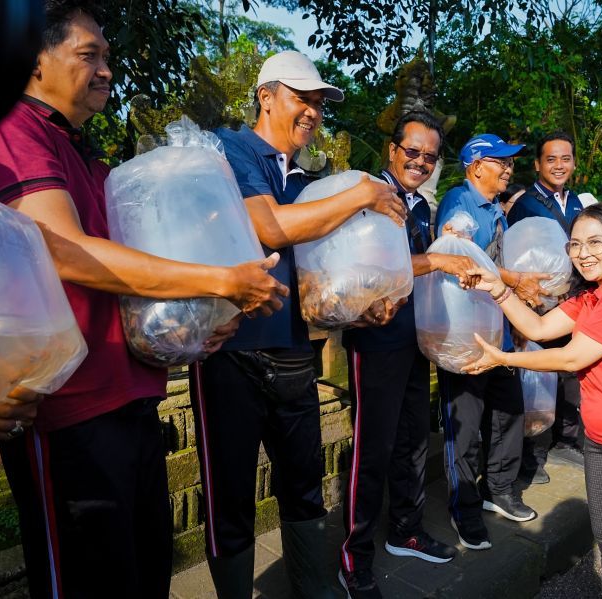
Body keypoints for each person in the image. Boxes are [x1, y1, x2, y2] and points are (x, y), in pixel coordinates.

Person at [0, 3, 287, 597]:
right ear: (33, 62)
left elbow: (126, 285)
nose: (107, 70)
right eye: (89, 55)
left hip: (129, 399)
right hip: (66, 412)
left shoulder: (89, 157)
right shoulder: (12, 130)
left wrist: (194, 328)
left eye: (109, 57)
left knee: (144, 574)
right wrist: (218, 280)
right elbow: (64, 252)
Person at [191, 50, 407, 599]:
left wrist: (362, 303)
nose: (312, 111)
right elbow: (268, 226)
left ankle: (314, 589)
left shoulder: (309, 180)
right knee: (231, 496)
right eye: (301, 98)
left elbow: (316, 283)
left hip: (293, 355)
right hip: (231, 355)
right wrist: (363, 192)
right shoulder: (230, 149)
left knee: (304, 487)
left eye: (318, 103)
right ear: (266, 96)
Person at [463, 202, 602, 598]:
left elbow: (571, 356)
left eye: (596, 242)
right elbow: (541, 327)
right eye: (575, 244)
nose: (583, 253)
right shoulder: (594, 296)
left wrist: (504, 358)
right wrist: (497, 288)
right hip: (600, 438)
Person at [338, 112, 475, 597]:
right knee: (372, 449)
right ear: (392, 150)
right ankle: (354, 557)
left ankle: (406, 530)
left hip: (414, 340)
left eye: (430, 157)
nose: (420, 162)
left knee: (414, 440)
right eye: (412, 152)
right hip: (375, 342)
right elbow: (367, 268)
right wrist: (436, 258)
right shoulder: (370, 195)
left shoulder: (420, 205)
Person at [434, 133, 547, 551]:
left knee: (508, 411)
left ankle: (498, 491)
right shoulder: (460, 204)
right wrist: (517, 281)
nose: (508, 169)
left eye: (510, 162)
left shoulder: (497, 211)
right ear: (476, 165)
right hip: (463, 338)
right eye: (501, 161)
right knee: (464, 426)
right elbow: (460, 248)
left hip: (497, 331)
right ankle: (463, 509)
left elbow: (494, 267)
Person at [506, 131, 586, 482]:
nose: (558, 165)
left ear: (573, 163)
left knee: (568, 373)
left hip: (572, 302)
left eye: (565, 158)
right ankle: (531, 456)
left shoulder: (578, 203)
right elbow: (514, 256)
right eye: (550, 159)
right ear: (537, 164)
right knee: (535, 374)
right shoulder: (527, 203)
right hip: (538, 304)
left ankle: (565, 441)